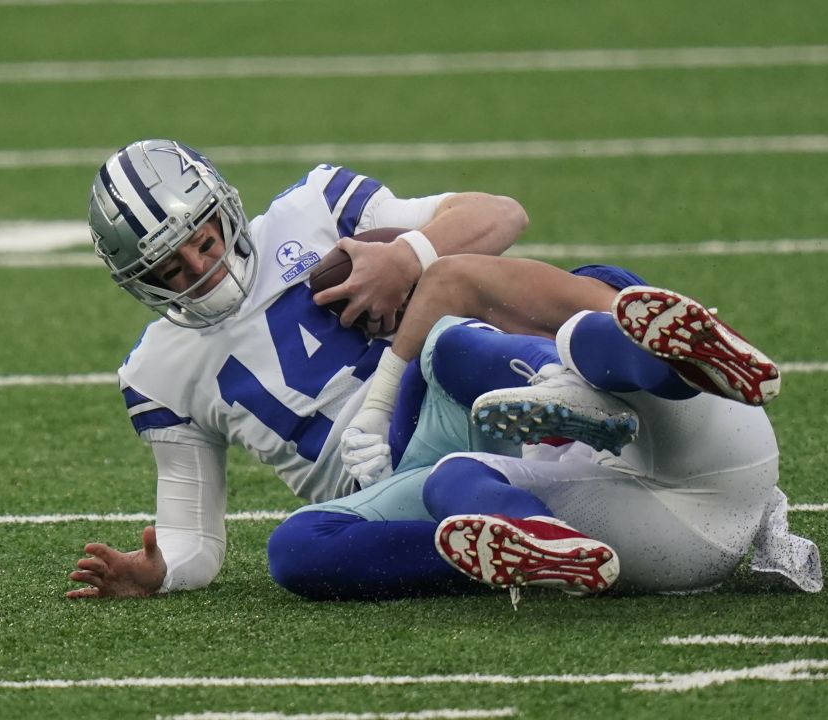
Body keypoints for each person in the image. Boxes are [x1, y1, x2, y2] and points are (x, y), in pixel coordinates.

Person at [66, 138, 527, 599]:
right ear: (144, 283)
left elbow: (501, 215)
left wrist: (407, 257)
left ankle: (583, 396)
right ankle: (499, 548)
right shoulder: (156, 374)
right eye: (171, 270)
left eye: (204, 242)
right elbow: (193, 541)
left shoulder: (315, 210)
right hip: (385, 491)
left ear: (224, 211)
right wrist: (162, 572)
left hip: (441, 409)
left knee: (457, 345)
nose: (202, 268)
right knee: (294, 551)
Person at [265, 261, 821, 601]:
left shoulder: (502, 343)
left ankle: (622, 385)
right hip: (705, 488)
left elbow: (463, 273)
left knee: (526, 344)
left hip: (667, 522)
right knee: (315, 538)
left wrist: (379, 398)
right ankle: (537, 540)